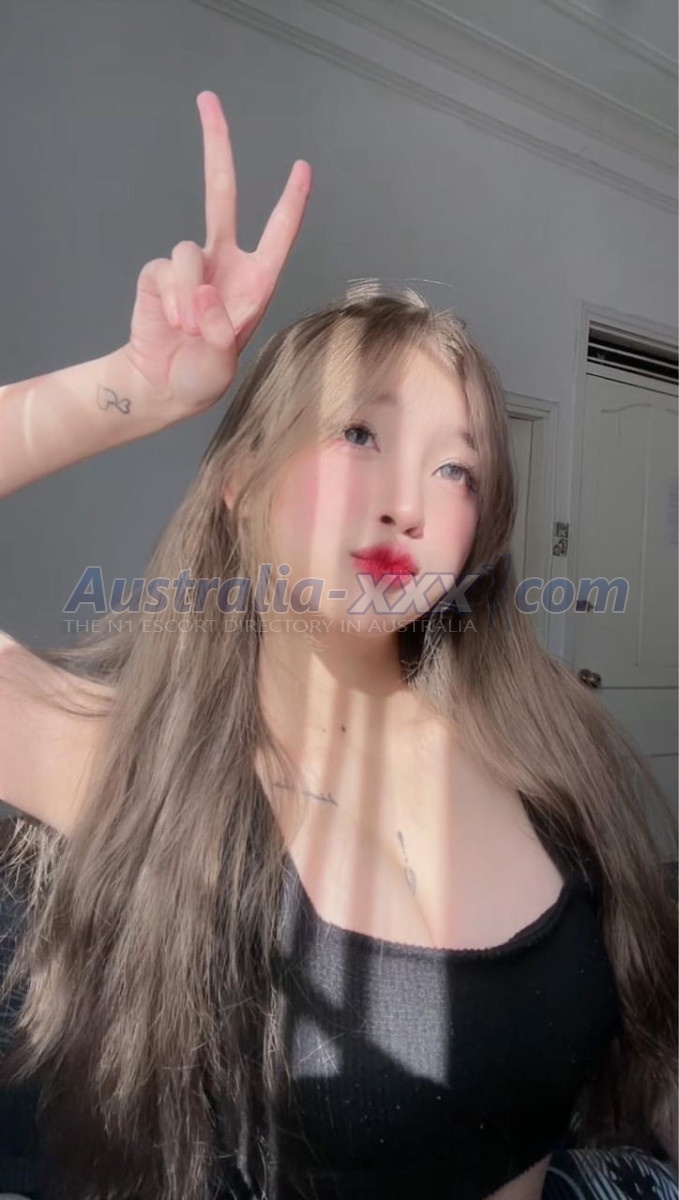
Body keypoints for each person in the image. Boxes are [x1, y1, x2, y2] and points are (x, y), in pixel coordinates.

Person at [0, 90, 676, 1200]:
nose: (407, 502)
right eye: (359, 432)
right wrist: (130, 393)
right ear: (237, 480)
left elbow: (644, 1055)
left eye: (454, 468)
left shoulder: (545, 740)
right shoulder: (121, 759)